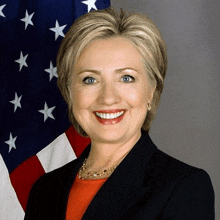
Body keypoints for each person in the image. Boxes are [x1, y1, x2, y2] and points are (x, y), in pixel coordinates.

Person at [24, 7, 214, 220]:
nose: (107, 97)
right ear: (70, 91)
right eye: (90, 79)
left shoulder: (183, 187)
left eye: (126, 78)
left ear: (151, 91)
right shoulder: (45, 190)